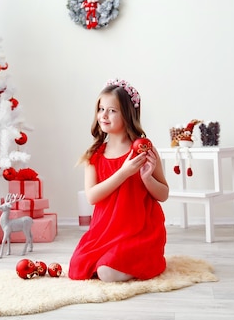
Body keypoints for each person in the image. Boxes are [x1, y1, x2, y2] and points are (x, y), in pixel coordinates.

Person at [68, 78, 169, 282]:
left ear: (128, 114)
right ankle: (115, 261)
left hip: (138, 231)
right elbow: (92, 197)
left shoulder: (144, 150)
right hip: (104, 231)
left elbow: (164, 194)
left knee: (106, 272)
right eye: (101, 109)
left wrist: (147, 178)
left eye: (112, 111)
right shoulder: (95, 154)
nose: (103, 115)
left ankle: (147, 259)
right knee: (77, 269)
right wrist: (123, 173)